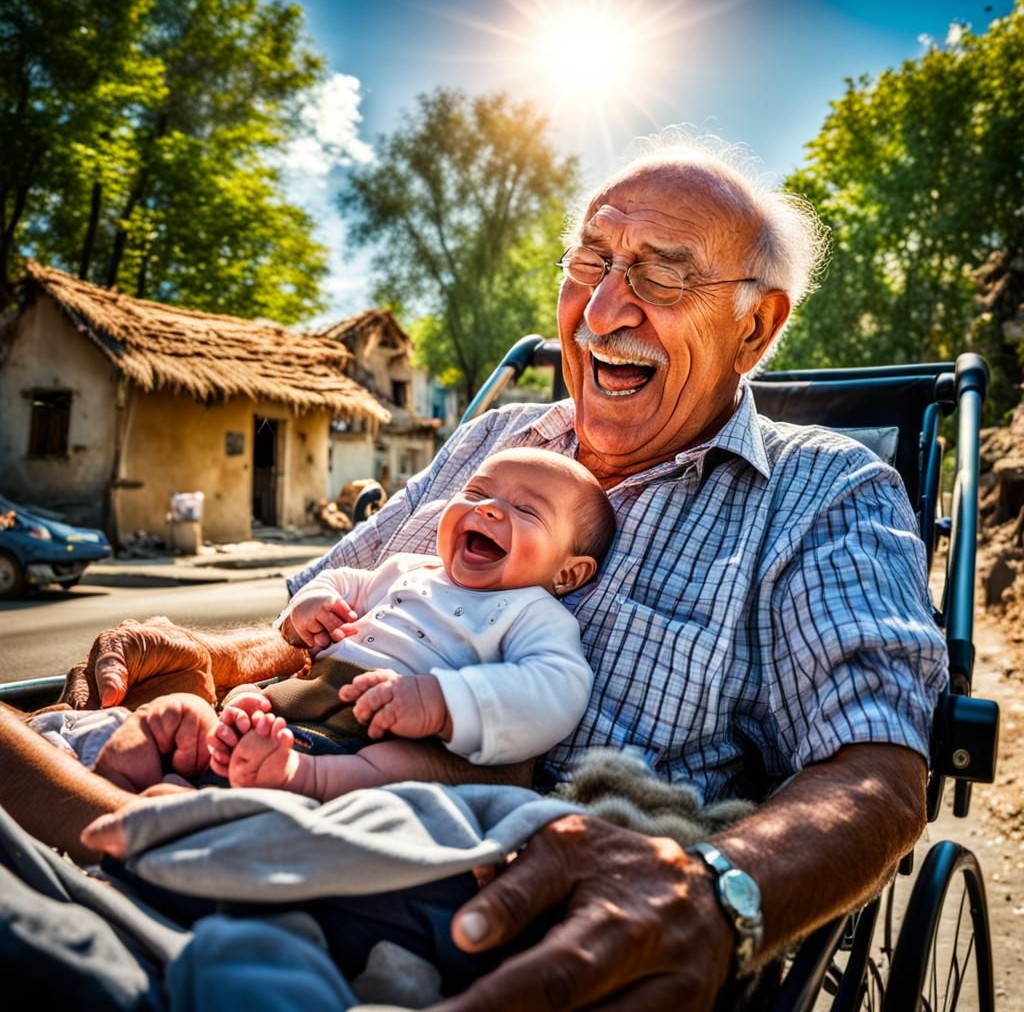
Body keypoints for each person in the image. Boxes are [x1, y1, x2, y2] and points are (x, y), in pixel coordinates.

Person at [4, 132, 946, 1012]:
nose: (605, 310)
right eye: (591, 263)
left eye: (662, 277)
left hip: (450, 892)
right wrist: (218, 657)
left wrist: (717, 889)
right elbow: (337, 624)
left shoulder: (823, 489)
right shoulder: (497, 442)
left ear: (756, 327)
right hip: (256, 779)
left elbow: (876, 771)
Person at [158, 448, 615, 798]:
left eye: (528, 510)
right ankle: (239, 731)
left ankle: (310, 778)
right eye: (476, 494)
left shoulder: (533, 613)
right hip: (316, 688)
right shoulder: (406, 568)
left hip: (398, 730)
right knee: (251, 696)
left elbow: (557, 688)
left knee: (405, 765)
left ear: (568, 574)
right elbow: (343, 579)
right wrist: (314, 603)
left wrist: (441, 703)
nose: (489, 509)